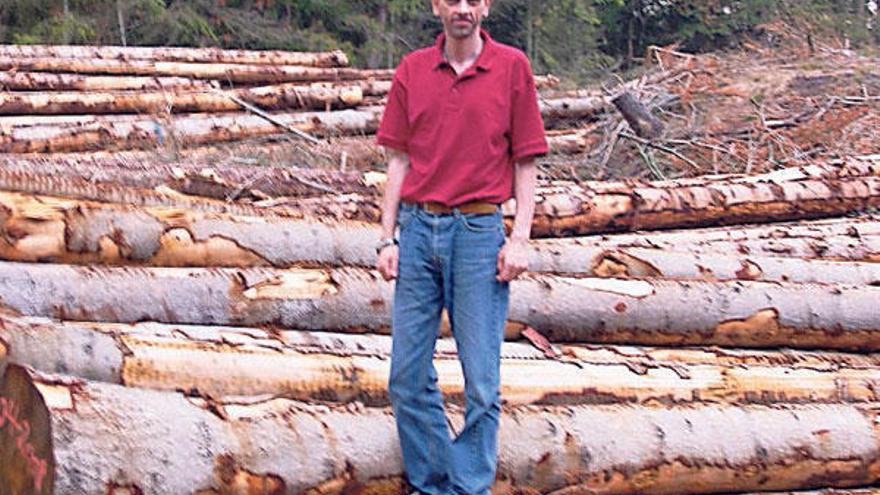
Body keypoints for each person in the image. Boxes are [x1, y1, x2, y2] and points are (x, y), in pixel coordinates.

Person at [374, 0, 547, 493]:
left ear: (485, 6)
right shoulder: (413, 70)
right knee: (406, 377)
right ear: (437, 7)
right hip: (418, 228)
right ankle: (432, 484)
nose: (462, 9)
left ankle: (470, 487)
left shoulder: (512, 67)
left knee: (482, 384)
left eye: (472, 0)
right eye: (452, 0)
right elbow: (398, 160)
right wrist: (387, 237)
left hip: (478, 235)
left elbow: (526, 161)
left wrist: (520, 238)